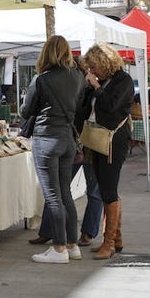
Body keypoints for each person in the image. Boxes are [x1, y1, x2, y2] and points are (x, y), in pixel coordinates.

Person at [19, 35, 84, 264]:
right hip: (67, 138)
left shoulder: (41, 79)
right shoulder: (78, 76)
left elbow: (26, 111)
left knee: (53, 196)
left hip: (46, 138)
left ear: (46, 52)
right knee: (65, 193)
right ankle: (72, 244)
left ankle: (58, 249)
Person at [30, 58, 103, 249]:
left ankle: (87, 233)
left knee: (91, 191)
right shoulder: (73, 84)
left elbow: (107, 109)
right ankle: (49, 232)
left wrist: (96, 87)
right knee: (59, 190)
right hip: (73, 140)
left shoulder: (100, 87)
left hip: (93, 143)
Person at [77, 43, 134, 259]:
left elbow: (111, 107)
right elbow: (84, 109)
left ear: (104, 62)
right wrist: (89, 88)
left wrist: (97, 88)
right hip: (96, 139)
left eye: (94, 67)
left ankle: (108, 243)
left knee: (108, 190)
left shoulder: (123, 81)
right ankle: (116, 239)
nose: (92, 72)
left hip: (113, 142)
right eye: (89, 68)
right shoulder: (101, 81)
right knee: (104, 189)